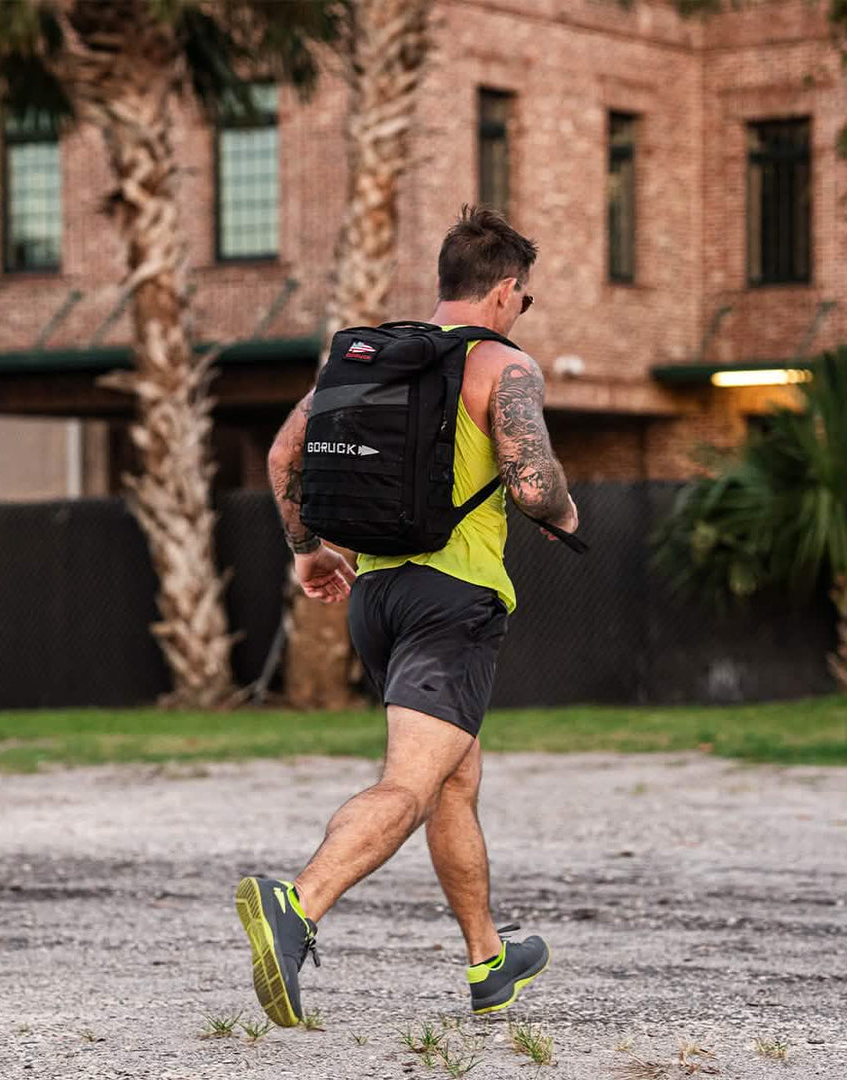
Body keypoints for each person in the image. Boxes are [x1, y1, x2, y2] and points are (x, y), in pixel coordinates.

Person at [237, 205, 579, 1027]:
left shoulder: (369, 358)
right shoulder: (504, 364)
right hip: (453, 601)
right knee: (410, 783)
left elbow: (287, 454)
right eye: (523, 299)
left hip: (379, 600)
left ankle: (488, 960)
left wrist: (307, 548)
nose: (520, 311)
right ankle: (300, 903)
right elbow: (532, 485)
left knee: (454, 779)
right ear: (505, 291)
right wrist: (565, 518)